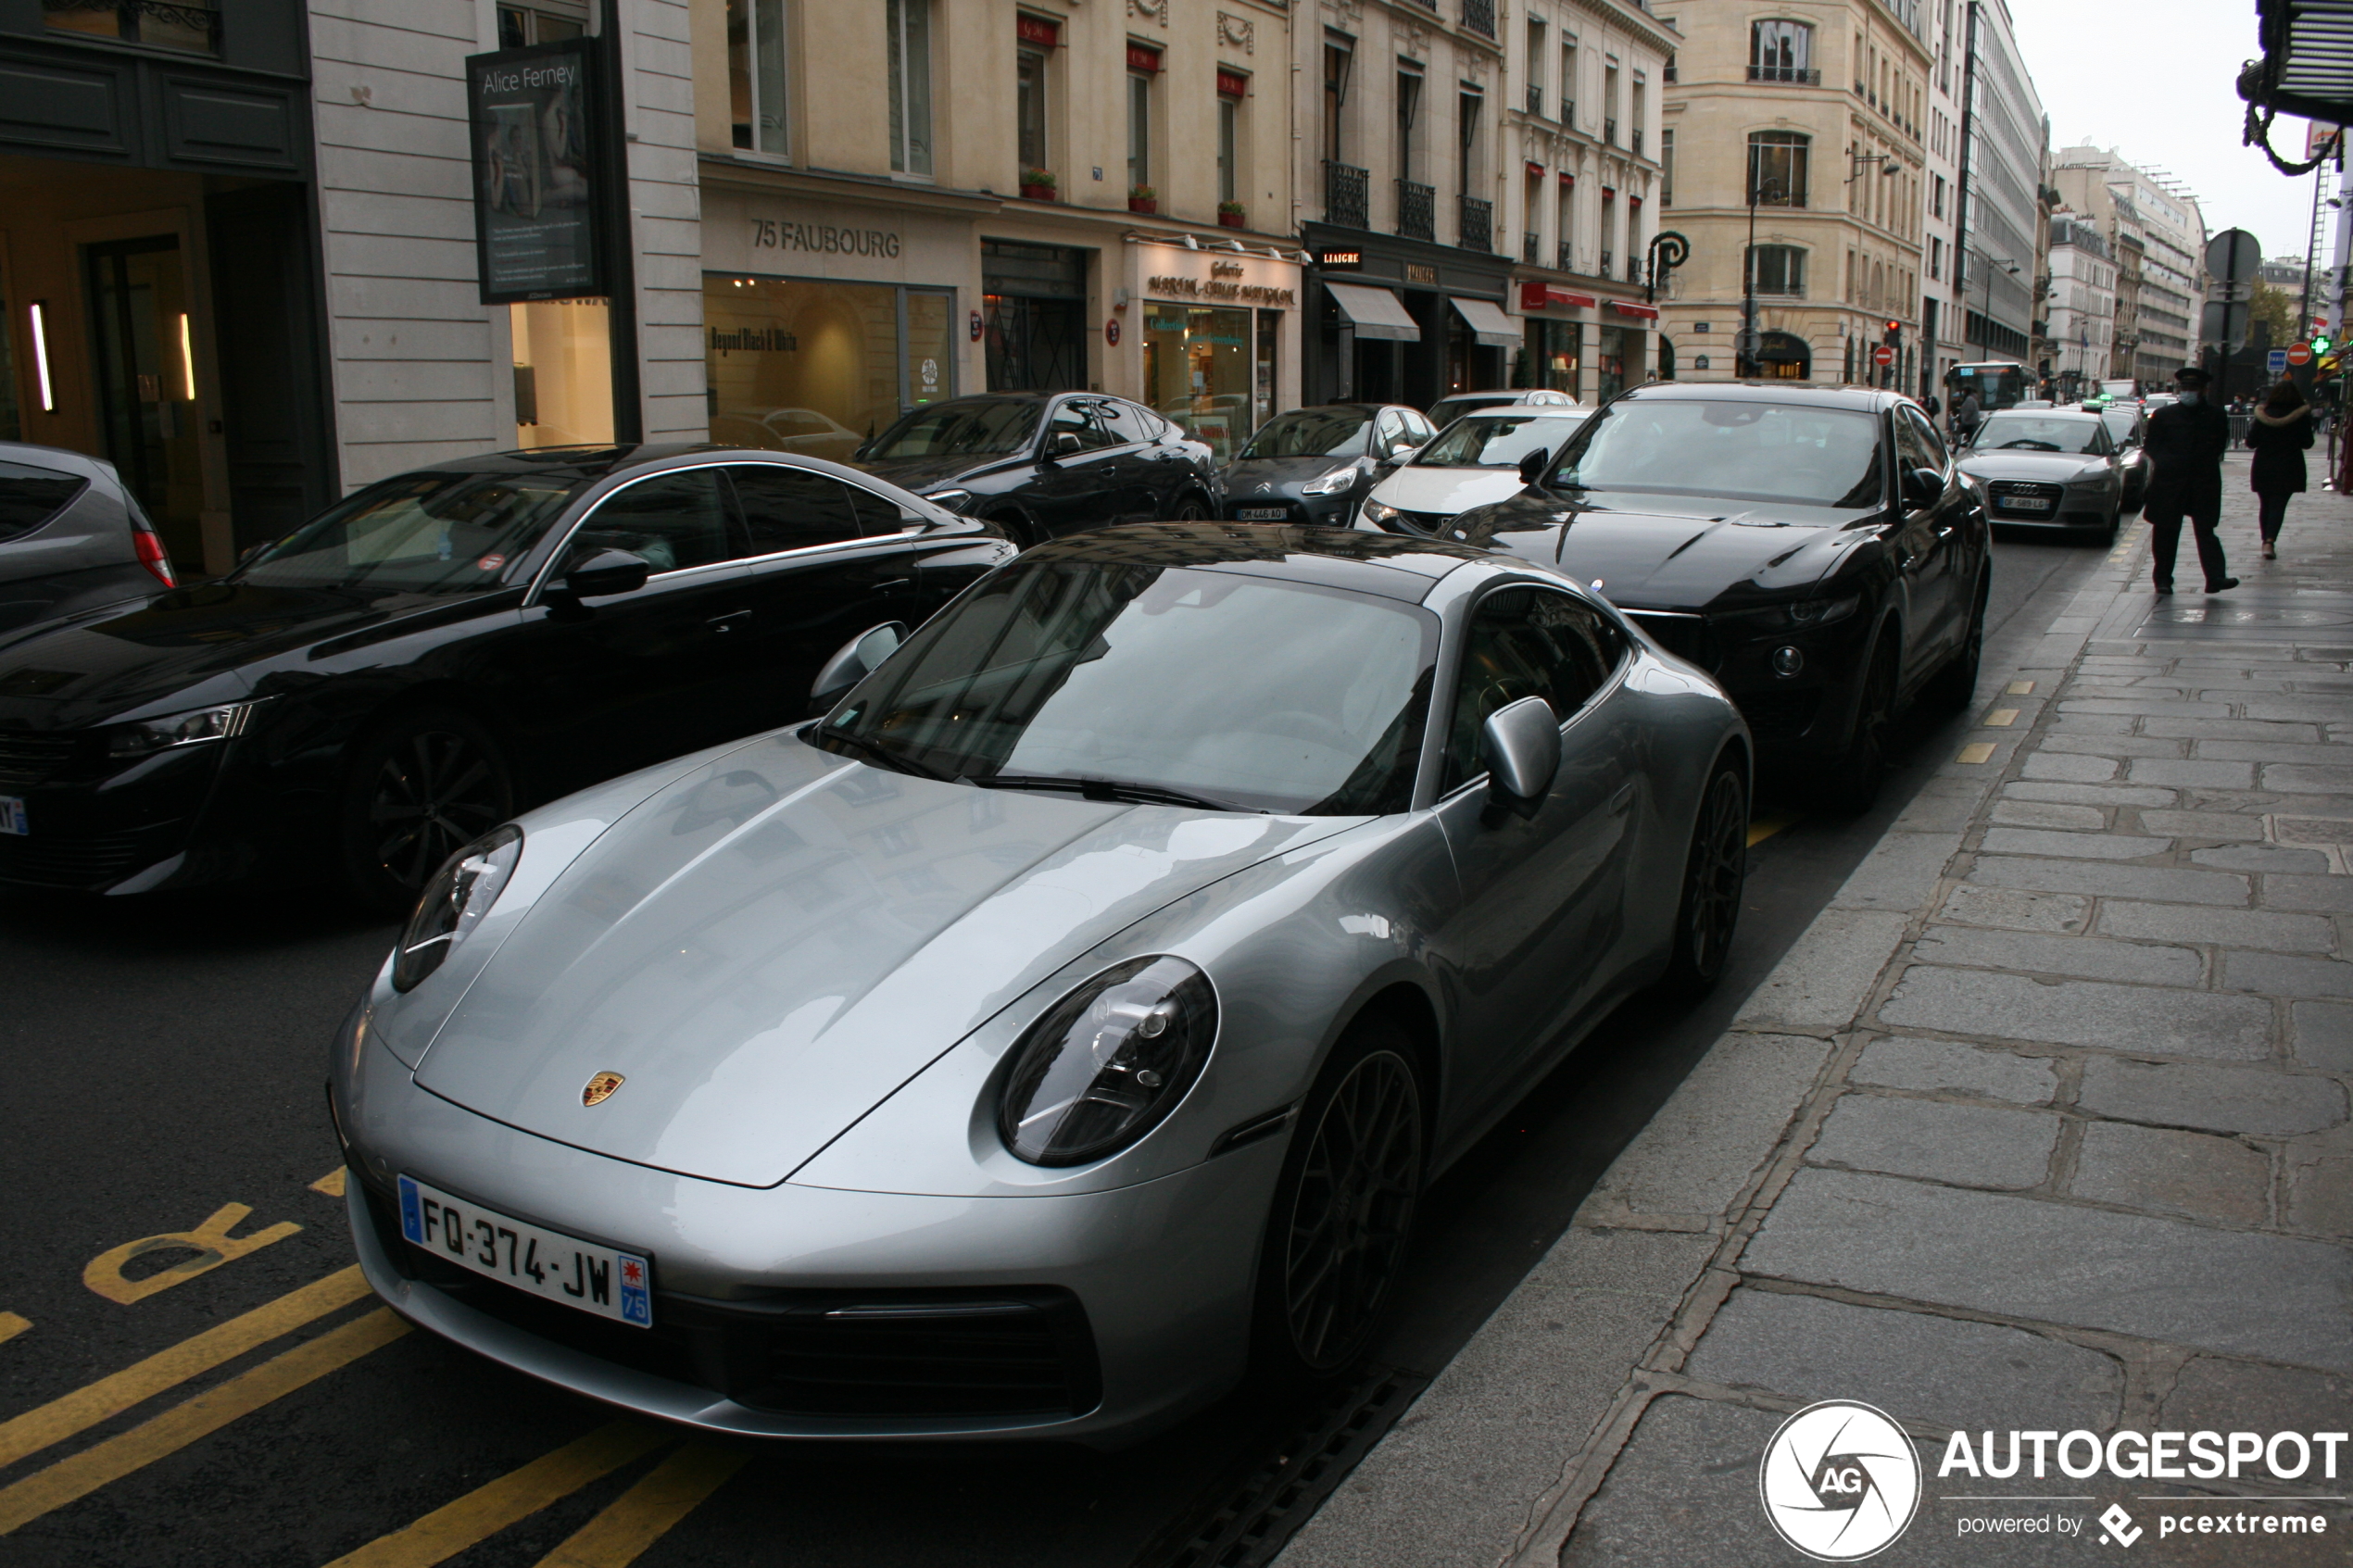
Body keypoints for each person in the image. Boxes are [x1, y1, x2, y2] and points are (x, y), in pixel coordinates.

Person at [2142, 366, 2237, 595]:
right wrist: (2168, 462)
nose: (2188, 392)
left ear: (2203, 390)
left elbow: (2219, 445)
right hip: (2169, 482)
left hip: (2203, 481)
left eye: (2192, 388)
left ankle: (2215, 578)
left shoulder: (2215, 415)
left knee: (2206, 531)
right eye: (2184, 388)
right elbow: (2152, 446)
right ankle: (2163, 579)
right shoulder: (2164, 415)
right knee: (2166, 531)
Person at [2246, 376, 2315, 559]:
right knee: (2278, 504)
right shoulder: (2300, 417)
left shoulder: (2263, 414)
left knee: (2265, 504)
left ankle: (2265, 540)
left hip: (2264, 465)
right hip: (2289, 466)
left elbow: (2251, 442)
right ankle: (2270, 540)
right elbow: (2307, 443)